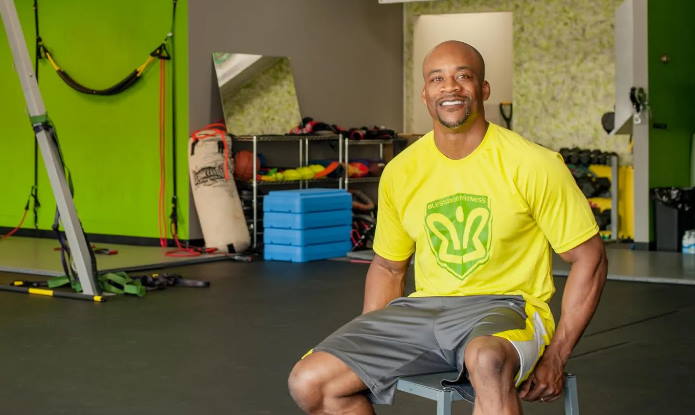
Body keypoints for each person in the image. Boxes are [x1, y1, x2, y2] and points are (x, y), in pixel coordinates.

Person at [288, 40, 607, 415]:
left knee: (486, 359)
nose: (450, 87)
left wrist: (557, 354)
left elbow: (590, 258)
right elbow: (388, 267)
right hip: (424, 311)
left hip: (506, 309)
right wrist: (371, 341)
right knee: (310, 382)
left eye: (463, 76)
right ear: (425, 93)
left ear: (483, 89)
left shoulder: (534, 163)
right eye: (437, 78)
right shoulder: (402, 171)